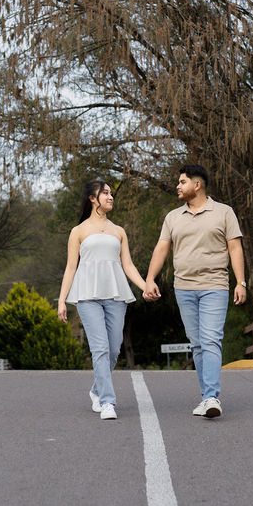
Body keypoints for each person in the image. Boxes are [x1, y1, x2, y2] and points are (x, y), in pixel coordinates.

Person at [143, 164, 246, 419]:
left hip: (215, 286)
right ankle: (206, 397)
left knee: (211, 339)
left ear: (197, 185)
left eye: (182, 182)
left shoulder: (224, 212)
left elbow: (235, 248)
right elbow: (161, 248)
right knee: (198, 344)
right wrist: (149, 279)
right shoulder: (173, 217)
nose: (177, 186)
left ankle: (211, 396)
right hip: (184, 288)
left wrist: (241, 282)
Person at [58, 180, 148, 420]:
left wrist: (145, 286)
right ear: (92, 198)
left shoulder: (119, 231)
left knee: (114, 349)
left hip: (115, 296)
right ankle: (108, 402)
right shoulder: (78, 231)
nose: (110, 197)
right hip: (87, 297)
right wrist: (61, 301)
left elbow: (128, 265)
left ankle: (97, 390)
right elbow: (70, 268)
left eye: (111, 193)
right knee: (99, 349)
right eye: (105, 193)